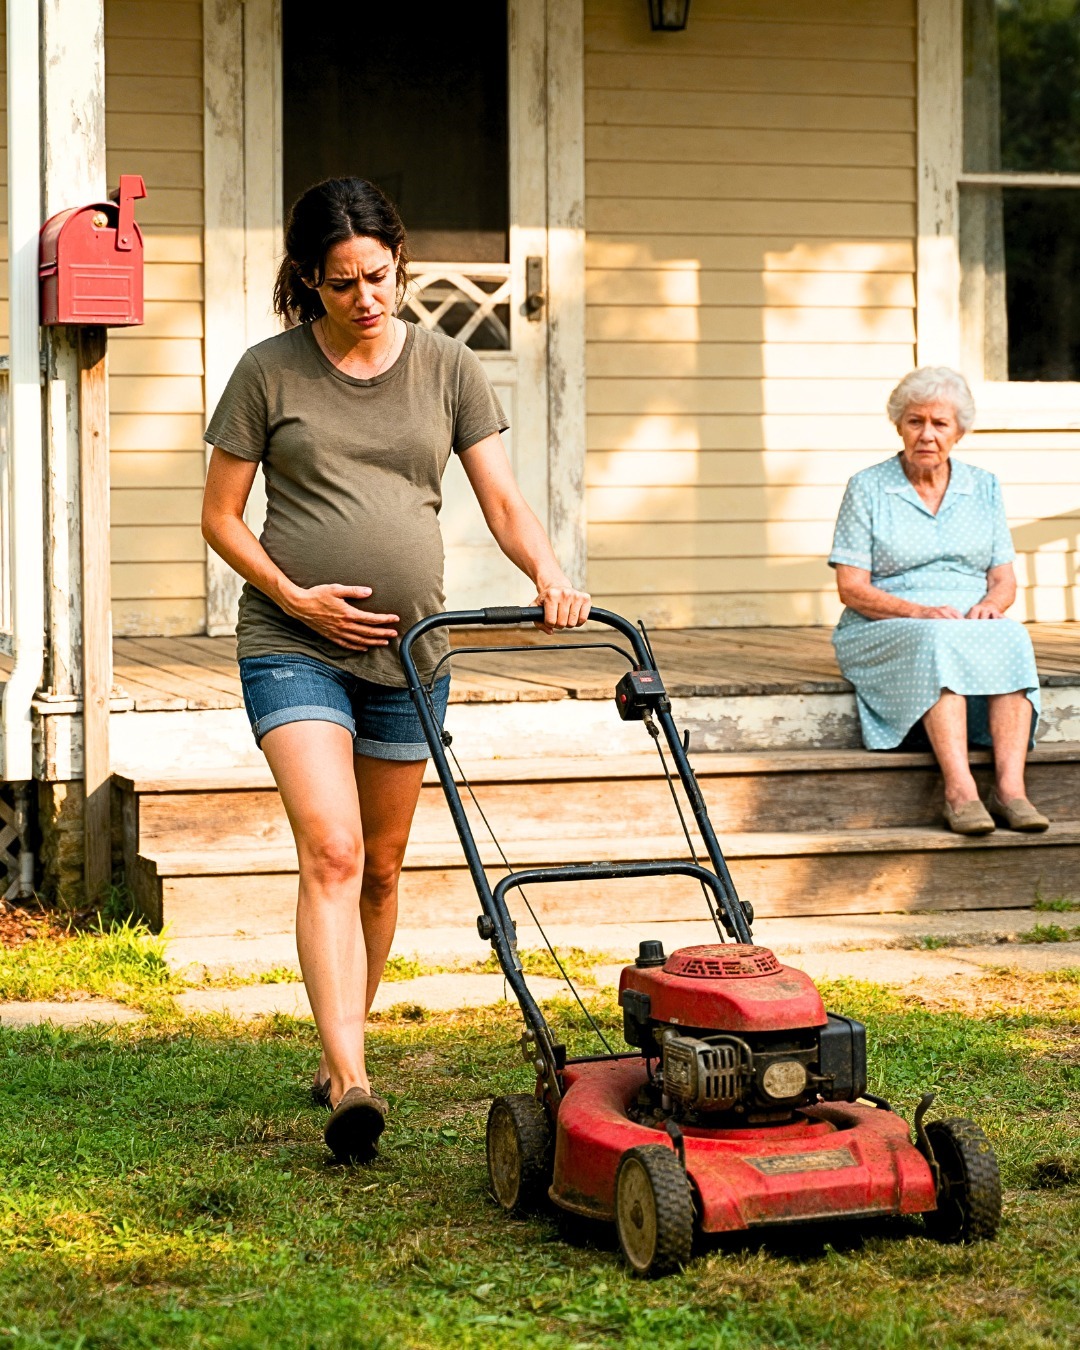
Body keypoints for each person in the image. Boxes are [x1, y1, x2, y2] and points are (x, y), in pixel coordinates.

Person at [201, 178, 590, 1161]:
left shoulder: (451, 368)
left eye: (380, 276)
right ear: (308, 282)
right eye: (342, 283)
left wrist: (550, 572)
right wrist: (293, 595)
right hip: (292, 642)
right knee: (330, 849)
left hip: (412, 653)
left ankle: (342, 1048)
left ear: (399, 264)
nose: (367, 297)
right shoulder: (266, 373)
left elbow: (502, 502)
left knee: (381, 867)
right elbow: (218, 517)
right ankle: (354, 1083)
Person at [828, 366, 1047, 836]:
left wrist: (993, 605)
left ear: (959, 431)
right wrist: (919, 610)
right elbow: (851, 587)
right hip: (884, 623)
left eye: (940, 423)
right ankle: (960, 792)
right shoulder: (868, 487)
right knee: (937, 637)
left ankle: (1011, 791)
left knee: (1010, 636)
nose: (927, 434)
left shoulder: (983, 486)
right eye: (915, 421)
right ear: (899, 426)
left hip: (967, 620)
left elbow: (1004, 579)